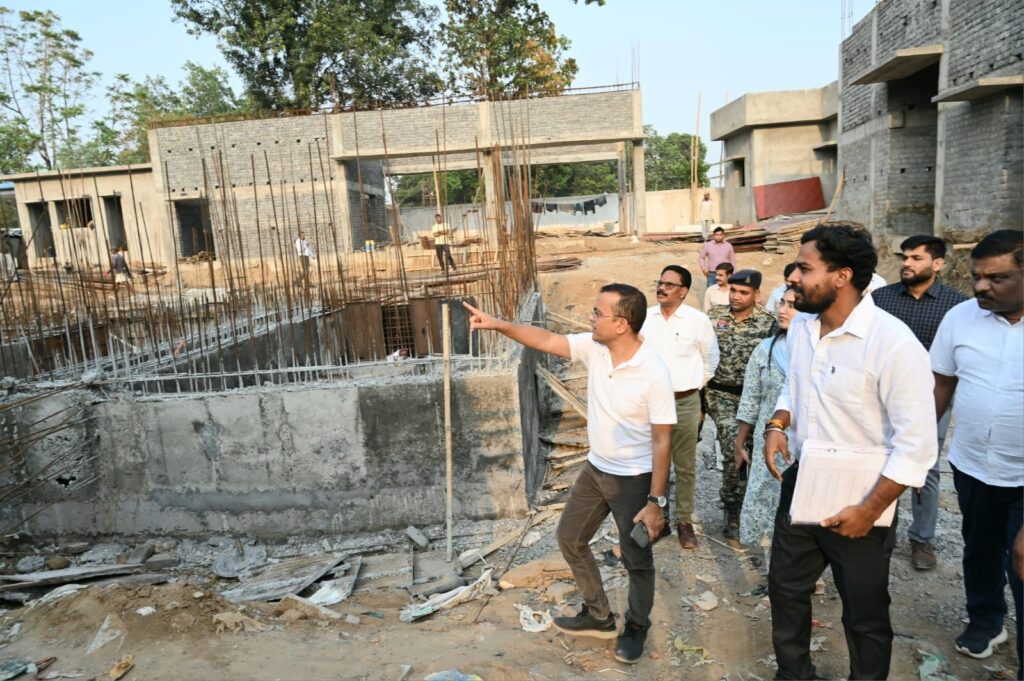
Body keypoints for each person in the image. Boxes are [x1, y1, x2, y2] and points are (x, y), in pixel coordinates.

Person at [464, 285, 675, 665]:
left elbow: (663, 441)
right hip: (596, 470)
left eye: (597, 313)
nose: (590, 319)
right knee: (570, 538)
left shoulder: (654, 373)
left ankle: (636, 626)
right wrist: (498, 325)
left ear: (621, 324)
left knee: (636, 558)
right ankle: (599, 615)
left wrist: (655, 502)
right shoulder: (596, 349)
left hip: (635, 479)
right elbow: (546, 340)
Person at [763, 222, 937, 680]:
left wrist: (870, 509)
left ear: (841, 276)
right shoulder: (802, 327)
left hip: (864, 498)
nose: (792, 278)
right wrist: (778, 423)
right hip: (804, 481)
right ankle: (794, 674)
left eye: (804, 268)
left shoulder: (894, 344)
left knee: (864, 611)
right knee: (785, 590)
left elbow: (917, 446)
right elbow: (794, 385)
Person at [930, 229, 1022, 671]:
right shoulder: (960, 318)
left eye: (997, 278)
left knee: (1022, 560)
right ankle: (986, 621)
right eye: (977, 277)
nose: (982, 286)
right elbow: (941, 385)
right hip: (972, 465)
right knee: (980, 550)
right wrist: (916, 446)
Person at [871, 235, 966, 571]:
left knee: (925, 466)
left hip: (932, 399)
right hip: (881, 397)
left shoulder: (956, 306)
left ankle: (922, 539)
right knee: (878, 459)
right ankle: (878, 528)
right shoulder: (881, 299)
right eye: (905, 257)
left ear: (938, 264)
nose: (907, 263)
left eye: (916, 258)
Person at [641, 265, 719, 550]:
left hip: (685, 402)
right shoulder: (645, 318)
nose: (662, 288)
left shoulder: (698, 321)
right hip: (651, 404)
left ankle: (684, 521)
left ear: (684, 291)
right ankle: (656, 518)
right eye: (660, 282)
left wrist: (692, 386)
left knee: (684, 465)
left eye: (670, 284)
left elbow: (711, 359)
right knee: (652, 463)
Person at [707, 269, 775, 540]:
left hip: (755, 399)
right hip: (721, 395)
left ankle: (753, 505)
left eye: (743, 292)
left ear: (756, 294)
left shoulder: (769, 323)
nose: (736, 296)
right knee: (732, 448)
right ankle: (733, 508)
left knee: (756, 451)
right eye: (733, 290)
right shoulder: (714, 317)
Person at [734, 288, 797, 561]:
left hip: (804, 447)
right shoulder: (766, 350)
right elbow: (751, 399)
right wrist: (740, 442)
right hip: (768, 446)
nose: (782, 310)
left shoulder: (822, 354)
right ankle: (776, 573)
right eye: (782, 303)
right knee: (770, 510)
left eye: (792, 305)